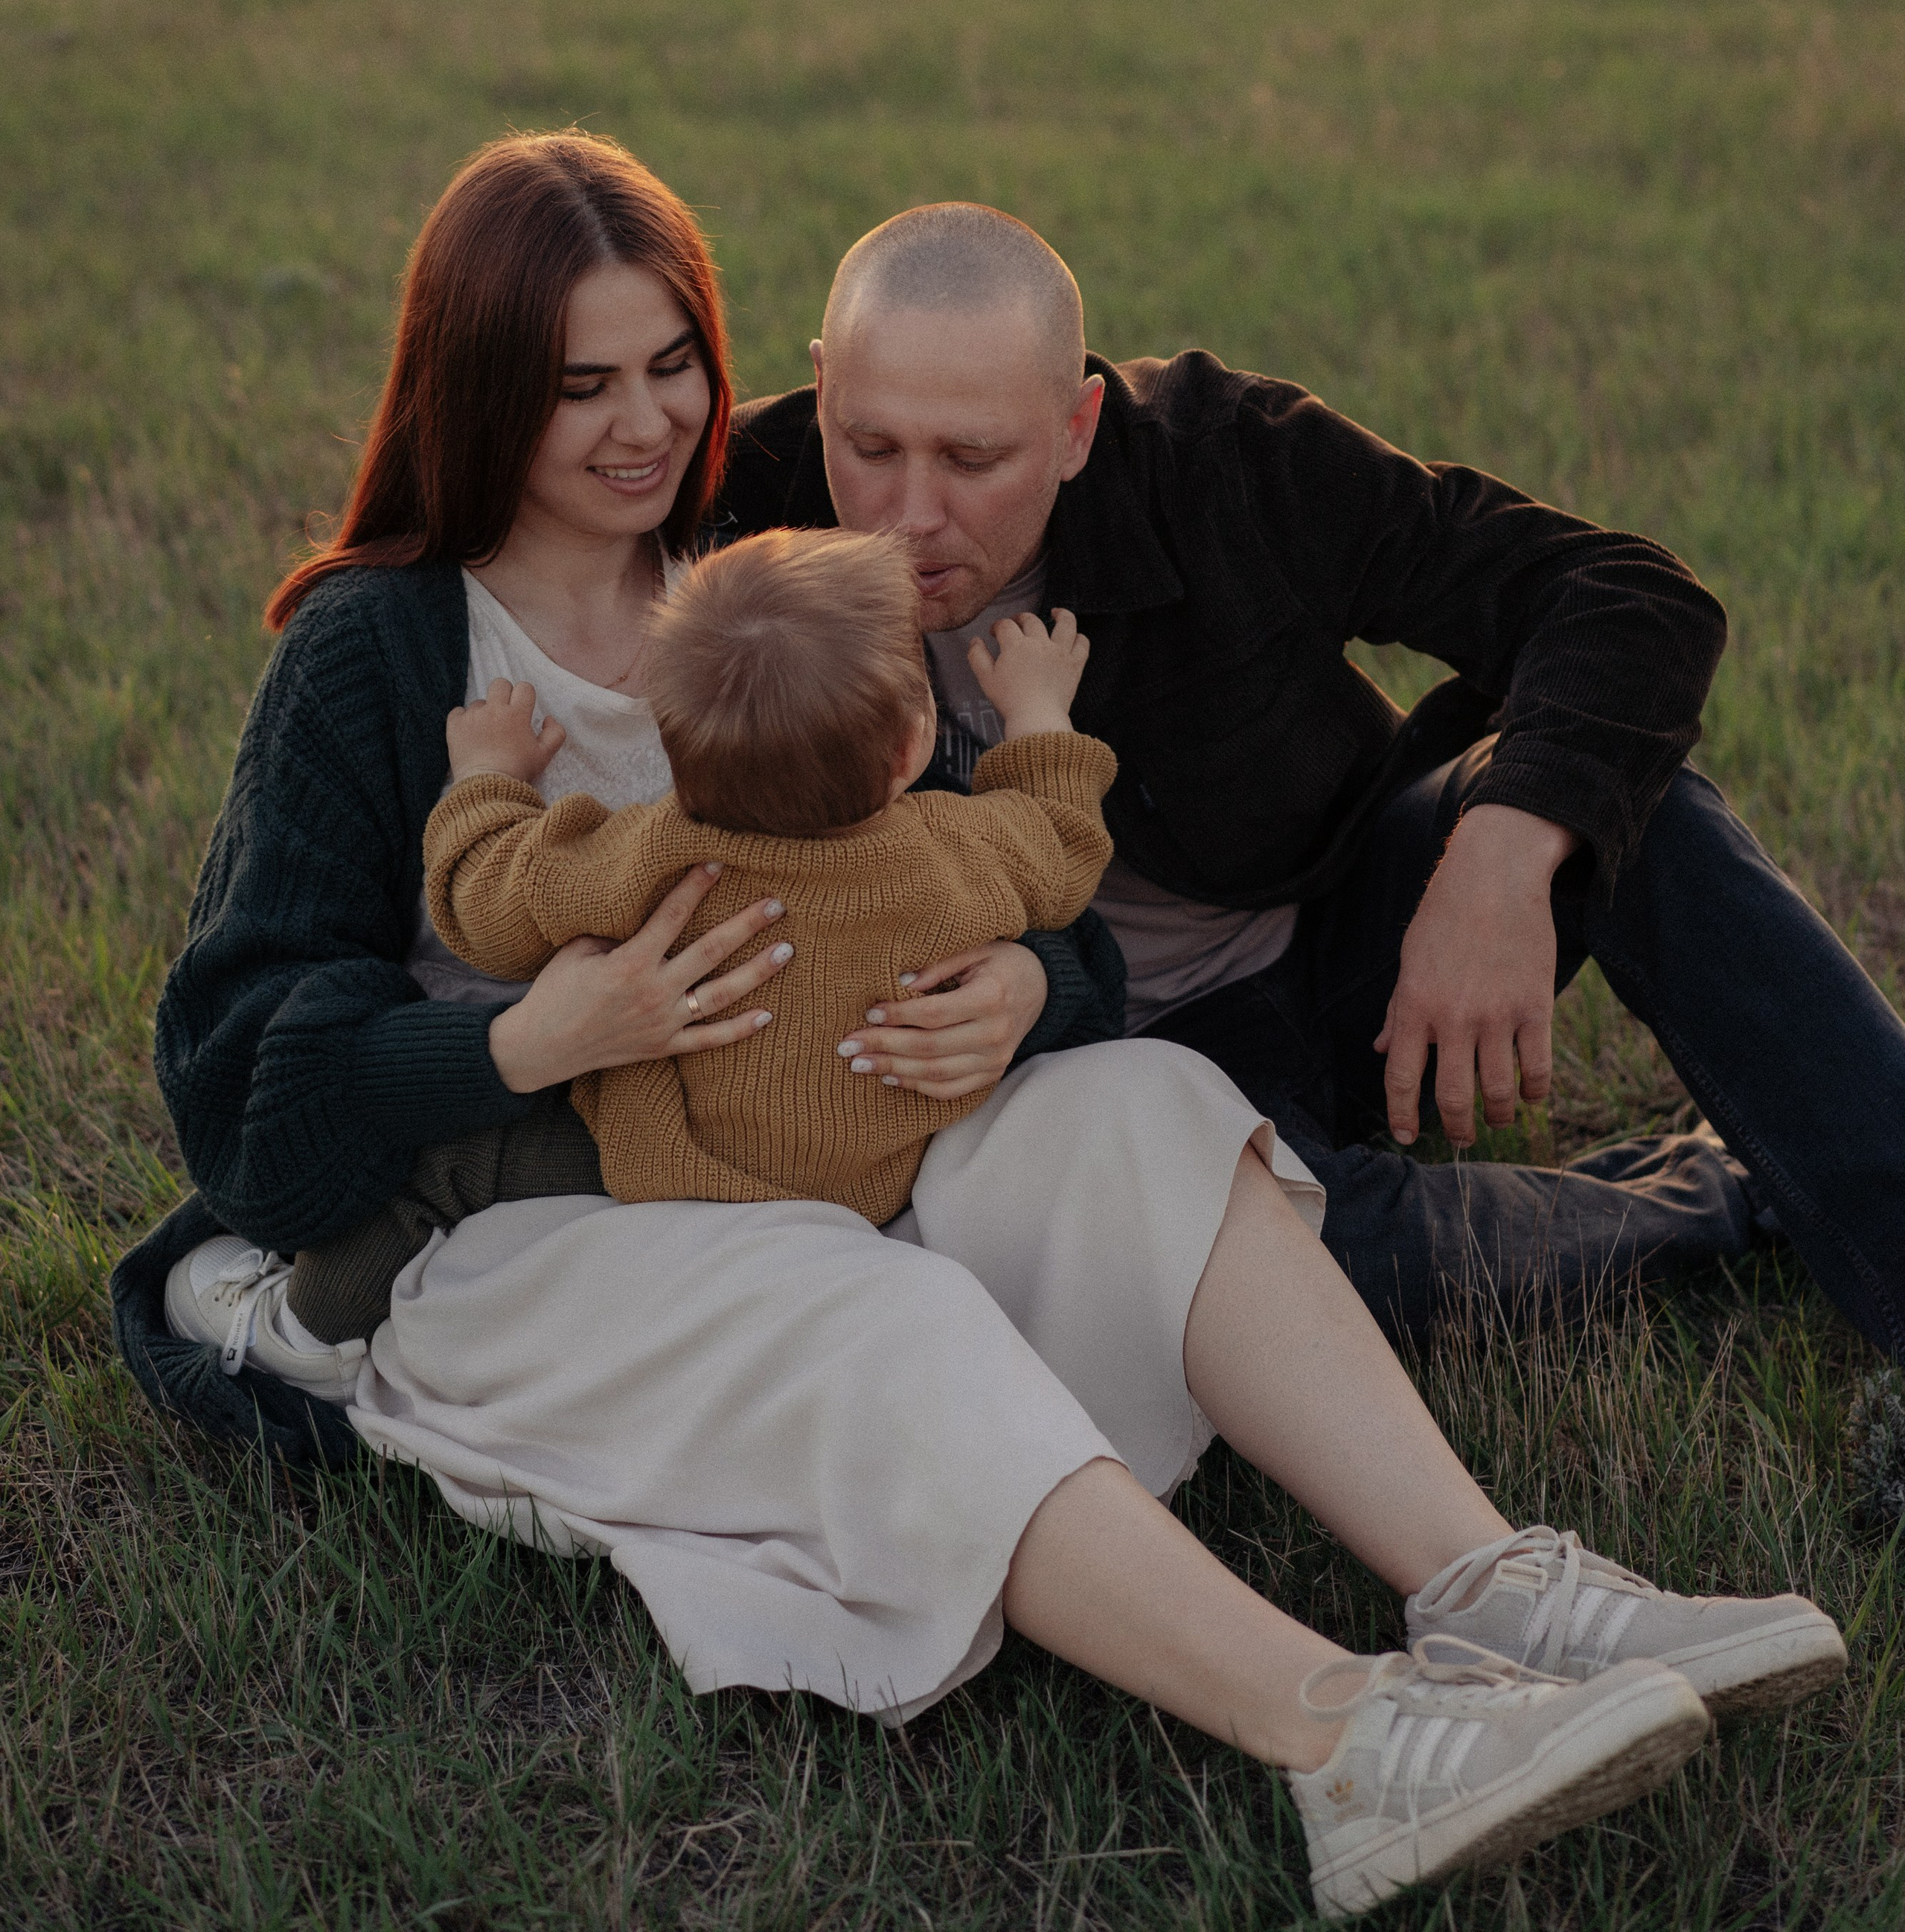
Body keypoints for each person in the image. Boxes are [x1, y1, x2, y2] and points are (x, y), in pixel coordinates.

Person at [115, 131, 1845, 1924]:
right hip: (529, 1225)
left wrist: (1040, 985)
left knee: (1146, 1099)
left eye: (670, 366)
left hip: (828, 1147)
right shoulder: (383, 648)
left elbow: (980, 872)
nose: (640, 426)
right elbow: (240, 1083)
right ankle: (1344, 1736)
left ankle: (1490, 1579)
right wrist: (532, 1039)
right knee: (868, 1299)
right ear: (474, 390)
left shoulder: (772, 575)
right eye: (576, 385)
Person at [716, 199, 1905, 1357]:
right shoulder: (741, 511)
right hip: (1061, 1088)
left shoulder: (1222, 464)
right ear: (823, 387)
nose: (909, 514)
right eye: (867, 447)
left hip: (1318, 951)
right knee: (1298, 1278)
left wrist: (1500, 853)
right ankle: (1722, 1195)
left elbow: (1626, 597)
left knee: (1637, 816)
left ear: (1078, 425)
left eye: (975, 458)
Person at [422, 529, 1114, 1221]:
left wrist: (486, 774)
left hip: (664, 1177)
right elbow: (1063, 842)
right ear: (910, 749)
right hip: (870, 1189)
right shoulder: (956, 851)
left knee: (453, 1163)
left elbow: (487, 907)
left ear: (669, 741)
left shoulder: (651, 857)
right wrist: (1036, 708)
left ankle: (342, 1294)